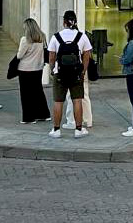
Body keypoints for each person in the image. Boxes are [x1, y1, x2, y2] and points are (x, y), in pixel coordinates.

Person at [47, 10, 92, 138]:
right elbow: (87, 55)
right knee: (77, 100)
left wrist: (52, 69)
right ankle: (78, 129)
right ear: (75, 21)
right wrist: (83, 70)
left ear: (64, 22)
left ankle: (56, 130)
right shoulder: (81, 36)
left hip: (60, 73)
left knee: (58, 101)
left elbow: (51, 56)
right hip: (76, 73)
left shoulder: (56, 37)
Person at [15, 18, 51, 124]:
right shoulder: (42, 37)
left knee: (26, 94)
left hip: (25, 69)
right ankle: (43, 114)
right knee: (38, 92)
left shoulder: (25, 40)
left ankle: (29, 118)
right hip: (38, 68)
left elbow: (19, 55)